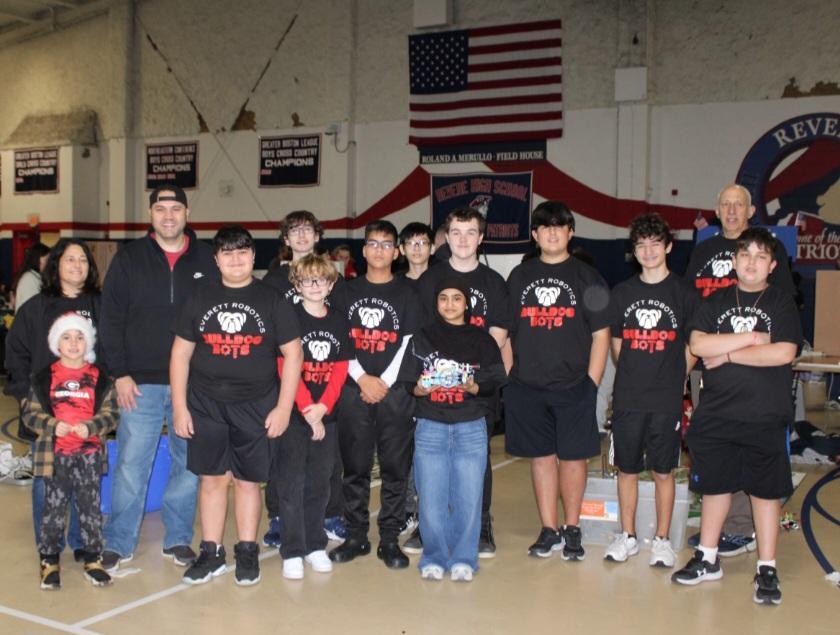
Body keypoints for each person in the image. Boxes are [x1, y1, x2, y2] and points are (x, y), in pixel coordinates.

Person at [672, 228, 801, 606]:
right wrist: (753, 338)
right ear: (734, 261)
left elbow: (784, 353)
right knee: (715, 488)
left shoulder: (781, 303)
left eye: (761, 257)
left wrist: (727, 353)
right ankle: (707, 557)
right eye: (745, 255)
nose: (751, 263)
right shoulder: (714, 301)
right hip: (717, 413)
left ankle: (767, 567)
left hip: (765, 415)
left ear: (772, 265)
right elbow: (699, 344)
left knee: (765, 492)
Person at [170, 225, 302, 586]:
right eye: (227, 253)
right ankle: (211, 553)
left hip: (256, 405)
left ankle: (247, 550)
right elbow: (180, 353)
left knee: (247, 482)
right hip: (206, 404)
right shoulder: (199, 297)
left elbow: (294, 355)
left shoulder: (272, 299)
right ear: (216, 259)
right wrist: (180, 407)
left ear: (253, 256)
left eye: (242, 252)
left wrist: (284, 408)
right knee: (212, 479)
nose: (236, 260)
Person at [99, 184, 220, 572]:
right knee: (131, 464)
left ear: (187, 213)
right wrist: (119, 373)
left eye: (176, 208)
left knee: (188, 465)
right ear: (150, 214)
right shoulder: (129, 258)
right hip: (140, 383)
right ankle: (118, 541)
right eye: (161, 209)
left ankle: (179, 538)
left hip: (194, 383)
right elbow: (110, 318)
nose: (169, 215)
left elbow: (220, 317)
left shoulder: (207, 258)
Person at [684, 184, 796, 557]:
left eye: (739, 204)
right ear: (717, 210)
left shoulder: (771, 253)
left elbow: (779, 336)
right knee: (716, 451)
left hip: (756, 380)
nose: (732, 210)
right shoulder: (703, 252)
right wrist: (690, 362)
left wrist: (733, 349)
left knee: (757, 459)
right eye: (726, 204)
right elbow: (694, 319)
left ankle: (743, 529)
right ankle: (716, 535)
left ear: (750, 210)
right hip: (709, 366)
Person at [505, 200, 610, 561]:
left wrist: (591, 383)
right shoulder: (520, 276)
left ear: (570, 232)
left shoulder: (587, 277)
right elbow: (506, 333)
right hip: (527, 387)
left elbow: (601, 334)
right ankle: (549, 529)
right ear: (535, 235)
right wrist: (510, 379)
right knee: (541, 458)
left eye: (559, 226)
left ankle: (572, 527)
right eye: (545, 227)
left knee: (573, 459)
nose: (552, 233)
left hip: (574, 386)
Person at [414, 207, 511, 557]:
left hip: (476, 391)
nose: (463, 239)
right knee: (431, 464)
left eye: (471, 232)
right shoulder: (430, 280)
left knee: (476, 463)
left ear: (481, 238)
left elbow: (497, 336)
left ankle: (480, 525)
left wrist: (469, 376)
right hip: (435, 393)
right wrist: (438, 377)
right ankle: (428, 527)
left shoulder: (494, 283)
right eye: (456, 232)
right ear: (447, 236)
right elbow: (420, 336)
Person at [605, 213, 698, 567]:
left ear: (668, 247)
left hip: (665, 399)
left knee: (663, 471)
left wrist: (675, 376)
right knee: (626, 469)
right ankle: (627, 536)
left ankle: (661, 539)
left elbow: (693, 345)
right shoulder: (622, 293)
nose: (648, 251)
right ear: (634, 250)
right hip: (629, 397)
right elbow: (617, 344)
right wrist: (634, 372)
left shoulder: (684, 293)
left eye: (655, 244)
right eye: (641, 245)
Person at [401, 277, 506, 582]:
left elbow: (496, 380)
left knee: (469, 497)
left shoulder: (482, 340)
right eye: (443, 297)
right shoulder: (421, 337)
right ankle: (433, 557)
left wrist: (473, 386)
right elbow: (409, 384)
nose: (450, 304)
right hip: (430, 425)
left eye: (456, 298)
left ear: (466, 303)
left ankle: (463, 558)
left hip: (470, 426)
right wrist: (421, 388)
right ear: (436, 302)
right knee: (430, 496)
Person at [5, 238, 102, 562]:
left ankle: (81, 541)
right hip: (48, 413)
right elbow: (16, 352)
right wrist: (24, 396)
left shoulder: (101, 306)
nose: (77, 265)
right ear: (56, 264)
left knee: (85, 481)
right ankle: (49, 546)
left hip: (87, 413)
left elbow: (113, 353)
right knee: (47, 481)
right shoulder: (36, 308)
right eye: (70, 259)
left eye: (83, 260)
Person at [329, 220, 419, 569]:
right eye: (373, 243)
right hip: (354, 391)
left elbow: (409, 342)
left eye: (387, 244)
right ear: (364, 250)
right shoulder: (344, 291)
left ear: (396, 253)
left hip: (395, 394)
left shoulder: (409, 293)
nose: (379, 250)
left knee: (395, 470)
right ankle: (356, 536)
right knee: (355, 469)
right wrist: (362, 378)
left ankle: (390, 539)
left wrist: (383, 382)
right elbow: (337, 337)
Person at [262, 210, 348, 547]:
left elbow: (342, 349)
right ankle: (279, 517)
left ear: (317, 235)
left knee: (328, 458)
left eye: (307, 229)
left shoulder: (333, 281)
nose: (301, 235)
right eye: (294, 230)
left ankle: (329, 514)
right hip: (285, 385)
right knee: (283, 457)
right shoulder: (273, 282)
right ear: (285, 239)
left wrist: (322, 404)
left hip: (325, 388)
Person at [24, 313, 118, 589]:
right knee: (52, 510)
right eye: (66, 337)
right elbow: (30, 415)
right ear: (57, 343)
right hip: (55, 458)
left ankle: (93, 558)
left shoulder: (101, 378)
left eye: (80, 337)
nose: (74, 343)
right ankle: (49, 560)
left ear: (88, 342)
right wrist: (53, 425)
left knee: (90, 509)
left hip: (89, 457)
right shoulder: (43, 378)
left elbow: (112, 414)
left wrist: (91, 426)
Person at [274, 254, 351, 579]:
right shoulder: (289, 317)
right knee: (291, 483)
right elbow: (285, 366)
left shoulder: (339, 320)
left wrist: (323, 408)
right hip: (295, 415)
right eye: (307, 280)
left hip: (326, 415)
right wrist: (309, 410)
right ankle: (292, 549)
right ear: (297, 285)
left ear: (331, 284)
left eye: (321, 280)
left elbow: (341, 368)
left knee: (320, 483)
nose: (315, 286)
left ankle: (315, 545)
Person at [13, 242, 50, 311]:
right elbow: (32, 308)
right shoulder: (29, 279)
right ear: (37, 259)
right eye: (46, 259)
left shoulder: (34, 277)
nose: (48, 263)